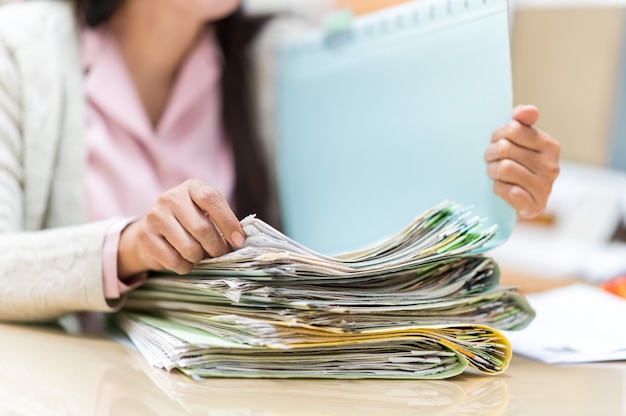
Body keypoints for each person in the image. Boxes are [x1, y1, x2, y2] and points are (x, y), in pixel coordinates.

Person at [0, 0, 560, 323]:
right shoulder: (20, 53)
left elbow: (370, 225)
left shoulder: (278, 62)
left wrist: (498, 184)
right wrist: (128, 247)